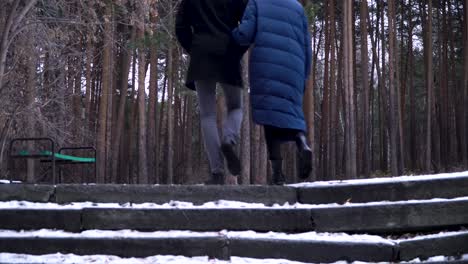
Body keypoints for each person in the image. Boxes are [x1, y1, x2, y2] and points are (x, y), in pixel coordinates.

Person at [232, 0, 313, 184]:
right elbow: (307, 46)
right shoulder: (297, 8)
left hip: (267, 67)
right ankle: (302, 142)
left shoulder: (257, 3)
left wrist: (230, 35)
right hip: (294, 68)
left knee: (270, 118)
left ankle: (277, 174)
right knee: (291, 113)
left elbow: (244, 35)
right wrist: (304, 75)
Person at [175, 0, 248, 184]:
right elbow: (248, 22)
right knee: (236, 107)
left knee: (207, 116)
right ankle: (229, 139)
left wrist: (194, 48)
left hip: (201, 54)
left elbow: (181, 27)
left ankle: (217, 173)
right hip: (229, 52)